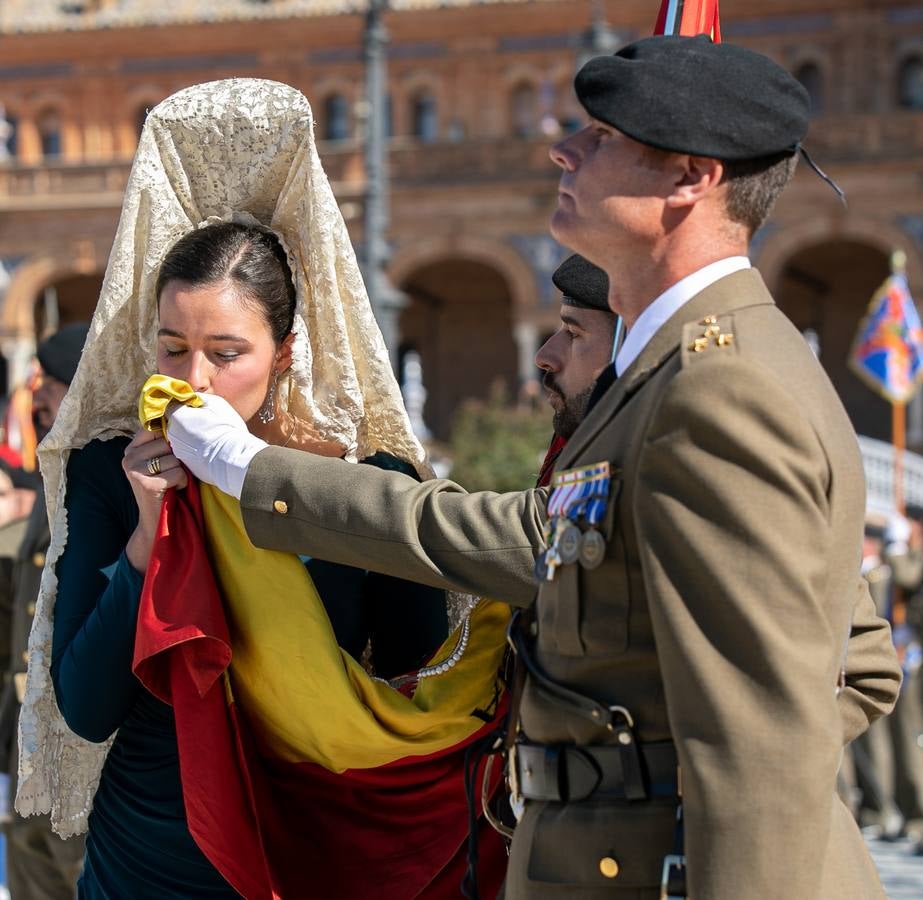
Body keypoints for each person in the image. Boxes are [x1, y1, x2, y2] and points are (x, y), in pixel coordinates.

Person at [169, 36, 900, 897]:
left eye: (603, 137)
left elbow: (763, 729)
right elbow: (543, 543)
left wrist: (649, 787)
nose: (565, 148)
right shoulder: (677, 372)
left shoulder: (720, 388)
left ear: (688, 179)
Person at [15, 80, 450, 899]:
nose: (193, 380)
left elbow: (408, 680)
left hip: (307, 843)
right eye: (172, 348)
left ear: (283, 354)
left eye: (225, 352)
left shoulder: (362, 483)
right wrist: (149, 535)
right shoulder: (113, 472)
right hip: (147, 852)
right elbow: (84, 706)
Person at [0, 326, 88, 900]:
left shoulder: (103, 478)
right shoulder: (52, 473)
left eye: (50, 391)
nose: (41, 404)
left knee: (80, 877)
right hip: (29, 740)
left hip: (81, 749)